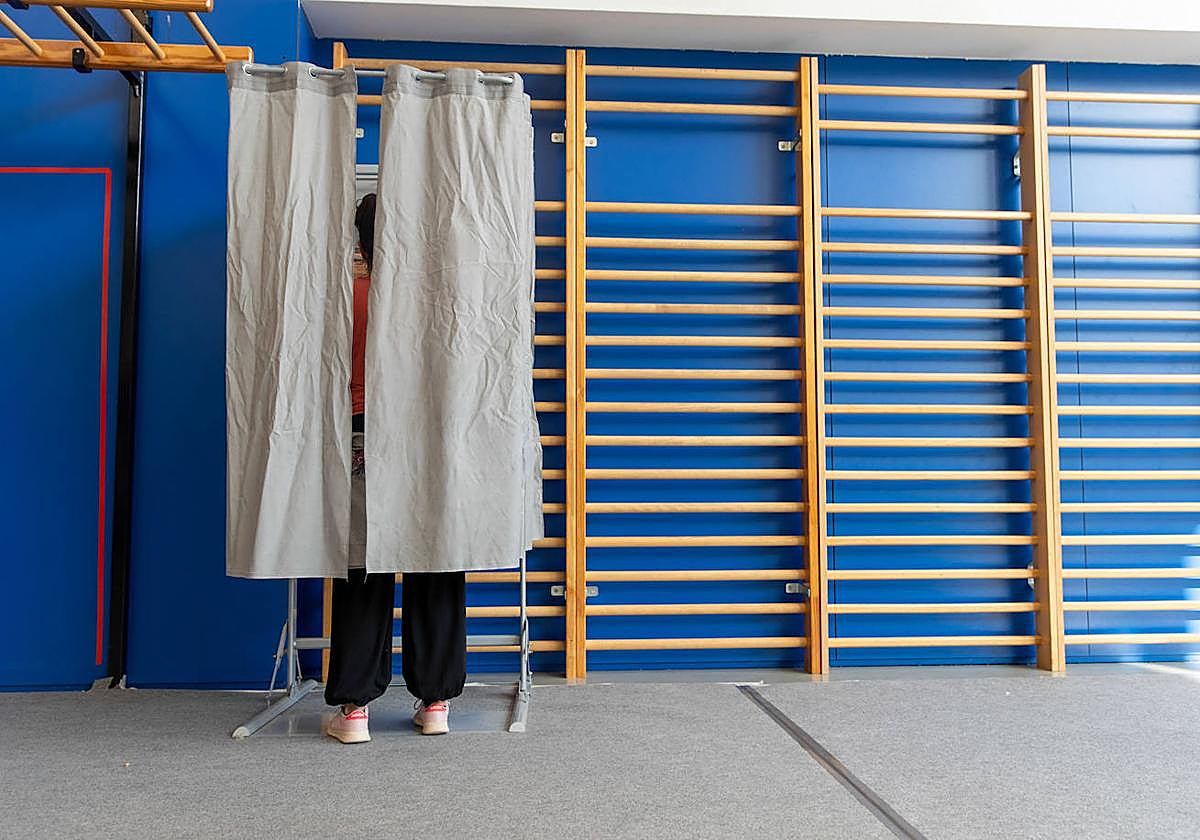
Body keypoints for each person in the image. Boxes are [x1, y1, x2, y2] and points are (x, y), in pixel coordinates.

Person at [321, 193, 468, 744]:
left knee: (363, 567)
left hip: (364, 435)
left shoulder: (346, 298)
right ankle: (436, 703)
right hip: (429, 440)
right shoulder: (435, 296)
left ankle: (354, 710)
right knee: (436, 559)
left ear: (360, 243)